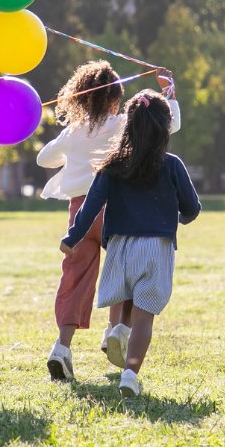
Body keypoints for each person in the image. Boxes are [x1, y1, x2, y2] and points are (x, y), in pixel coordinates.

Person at [39, 61, 180, 382]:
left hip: (80, 214)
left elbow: (43, 159)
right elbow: (169, 125)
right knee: (127, 273)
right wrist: (168, 92)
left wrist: (70, 143)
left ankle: (62, 347)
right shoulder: (122, 125)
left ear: (80, 99)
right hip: (115, 210)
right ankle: (115, 331)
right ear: (116, 99)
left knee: (74, 280)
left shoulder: (73, 132)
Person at [60, 90, 200, 397]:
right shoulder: (172, 164)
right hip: (156, 248)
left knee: (125, 297)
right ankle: (130, 374)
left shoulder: (112, 165)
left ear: (129, 126)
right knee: (145, 317)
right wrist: (178, 217)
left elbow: (91, 206)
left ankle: (118, 330)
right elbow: (192, 208)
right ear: (165, 128)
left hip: (120, 247)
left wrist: (72, 237)